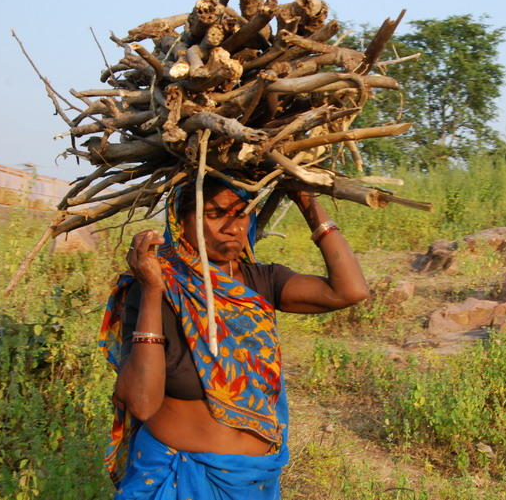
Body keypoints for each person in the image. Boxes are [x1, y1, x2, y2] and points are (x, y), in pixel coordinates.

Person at [99, 175, 369, 499]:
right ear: (180, 221)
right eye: (215, 214)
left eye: (241, 214)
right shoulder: (159, 287)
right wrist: (153, 291)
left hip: (254, 480)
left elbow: (350, 290)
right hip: (178, 475)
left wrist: (305, 200)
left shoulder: (261, 281)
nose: (233, 227)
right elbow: (142, 404)